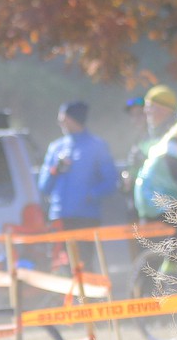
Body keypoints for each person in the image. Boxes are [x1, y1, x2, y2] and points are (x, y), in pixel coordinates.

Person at [37, 101, 119, 272]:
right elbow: (43, 186)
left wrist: (91, 195)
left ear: (73, 119)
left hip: (86, 216)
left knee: (84, 264)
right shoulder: (56, 147)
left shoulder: (97, 146)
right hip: (59, 216)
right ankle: (69, 298)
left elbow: (111, 182)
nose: (60, 123)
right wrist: (55, 170)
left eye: (63, 119)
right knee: (62, 265)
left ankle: (88, 299)